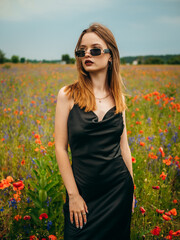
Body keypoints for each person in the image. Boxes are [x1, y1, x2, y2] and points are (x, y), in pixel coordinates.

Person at [55, 22, 135, 240]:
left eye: (95, 49)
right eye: (82, 51)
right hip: (83, 195)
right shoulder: (68, 95)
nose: (87, 54)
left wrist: (132, 190)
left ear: (110, 56)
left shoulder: (119, 98)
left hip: (118, 192)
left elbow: (123, 147)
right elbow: (60, 148)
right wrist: (73, 195)